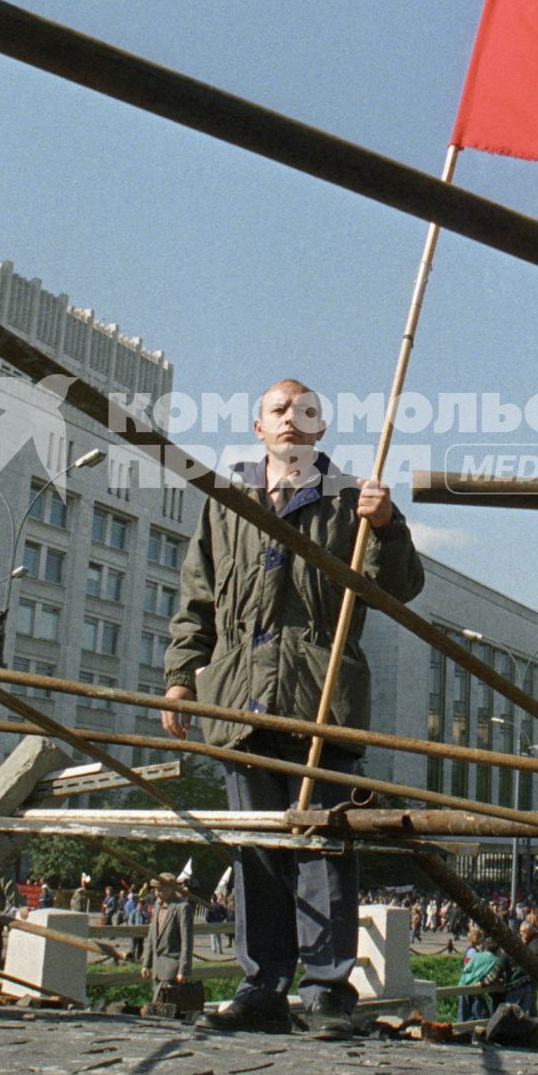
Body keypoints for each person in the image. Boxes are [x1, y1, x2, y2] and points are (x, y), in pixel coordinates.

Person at [163, 379, 424, 1040]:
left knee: (321, 844)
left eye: (303, 411)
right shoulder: (226, 503)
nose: (290, 420)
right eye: (277, 410)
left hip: (319, 694)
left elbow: (399, 589)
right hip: (238, 698)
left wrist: (388, 529)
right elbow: (197, 598)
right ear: (258, 427)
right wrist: (178, 681)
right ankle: (262, 986)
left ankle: (327, 987)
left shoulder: (352, 500)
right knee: (256, 847)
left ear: (320, 426)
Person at [143, 876, 196, 1009]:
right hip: (156, 969)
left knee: (168, 1008)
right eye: (155, 890)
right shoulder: (157, 906)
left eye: (161, 889)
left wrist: (183, 970)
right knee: (156, 1008)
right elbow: (151, 936)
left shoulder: (182, 908)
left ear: (172, 888)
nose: (157, 893)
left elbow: (186, 942)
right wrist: (146, 964)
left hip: (172, 968)